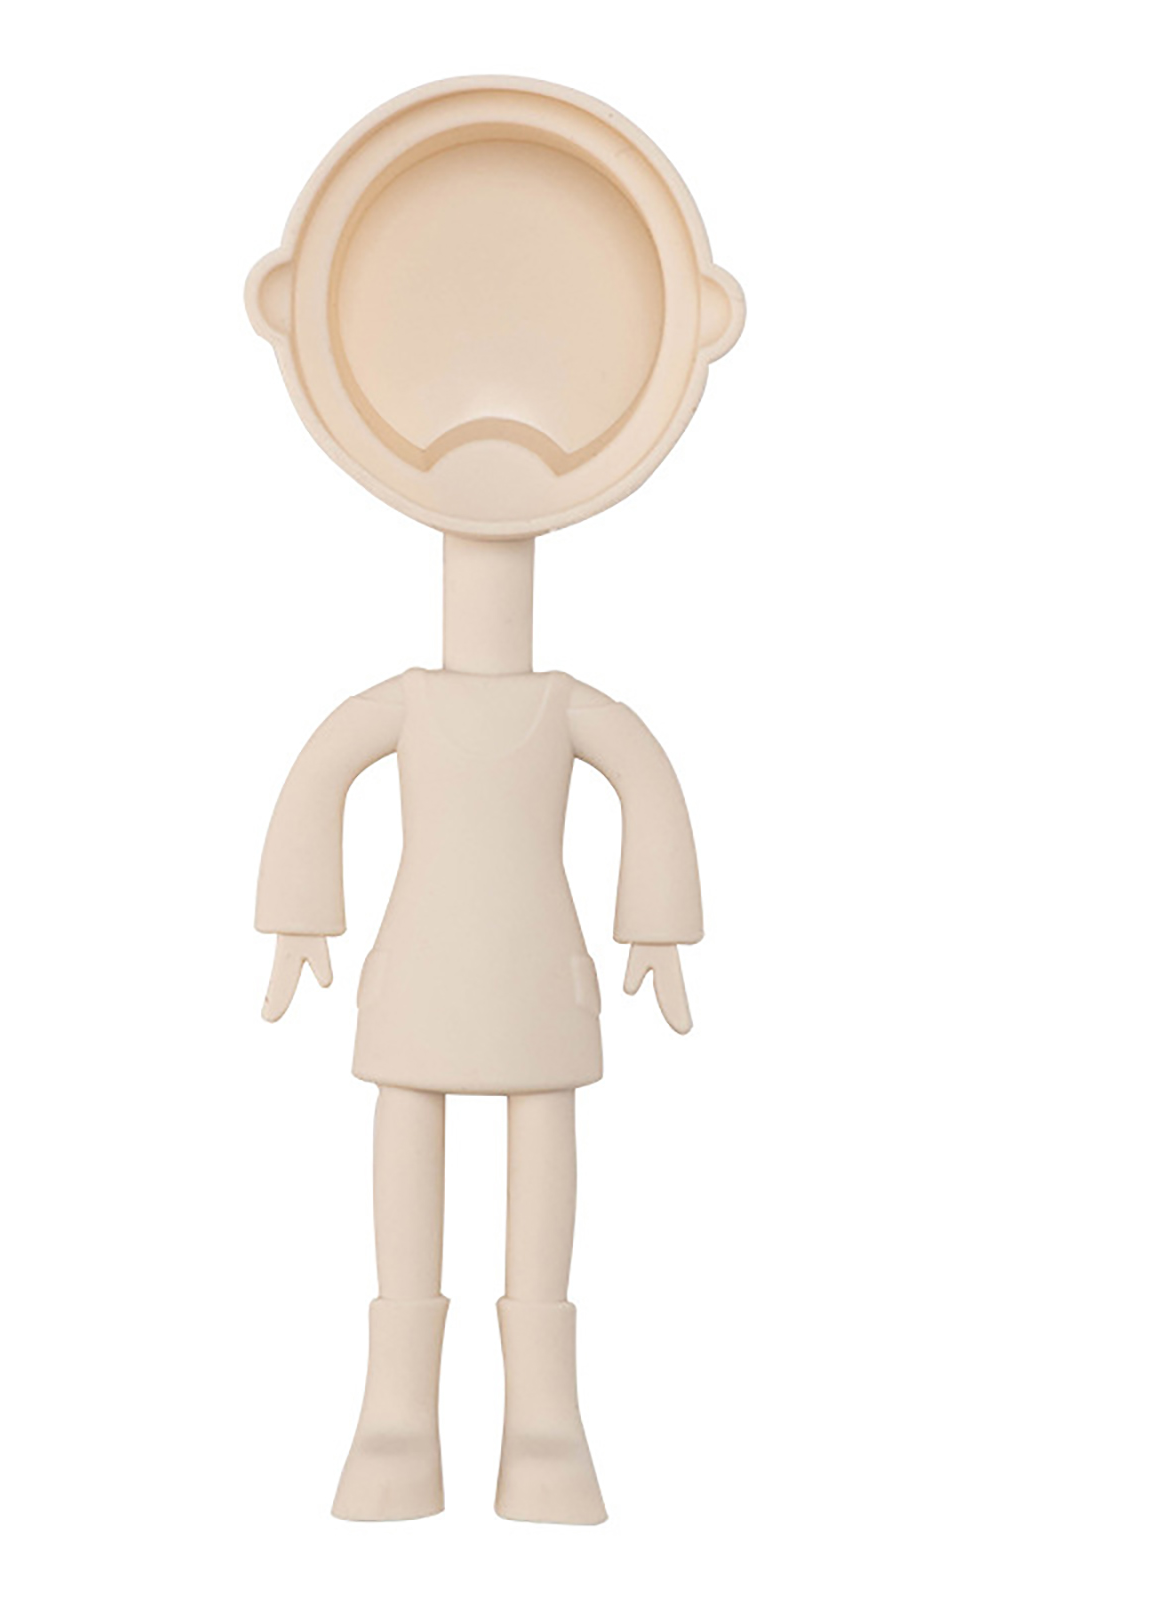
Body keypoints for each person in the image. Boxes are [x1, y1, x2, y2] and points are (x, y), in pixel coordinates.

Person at [246, 76, 744, 1523]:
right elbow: (322, 777)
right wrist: (301, 914)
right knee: (410, 1133)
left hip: (537, 973)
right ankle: (396, 1415)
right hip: (420, 968)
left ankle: (545, 1421)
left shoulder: (565, 707)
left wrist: (657, 925)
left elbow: (644, 782)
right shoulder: (411, 705)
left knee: (536, 1151)